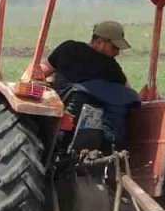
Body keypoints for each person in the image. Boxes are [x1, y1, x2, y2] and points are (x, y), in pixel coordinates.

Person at [41, 20, 140, 149]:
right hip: (100, 130)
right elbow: (128, 90)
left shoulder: (68, 48)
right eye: (115, 47)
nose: (117, 52)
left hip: (65, 109)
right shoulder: (111, 66)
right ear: (100, 42)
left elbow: (42, 71)